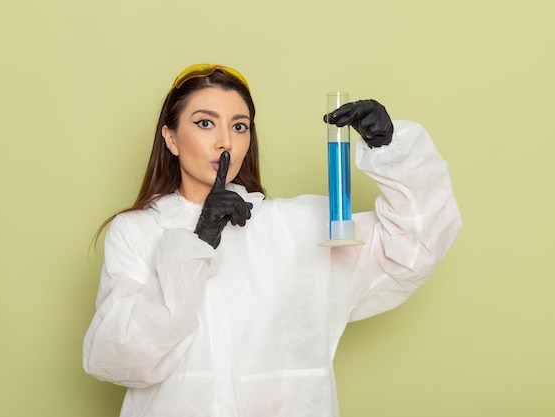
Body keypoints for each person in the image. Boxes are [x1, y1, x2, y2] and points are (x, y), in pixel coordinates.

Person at [82, 64, 461, 417]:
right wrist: (198, 241)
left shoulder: (296, 228)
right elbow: (122, 360)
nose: (224, 142)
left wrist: (390, 148)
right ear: (171, 138)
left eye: (240, 126)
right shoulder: (136, 232)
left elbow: (413, 248)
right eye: (204, 123)